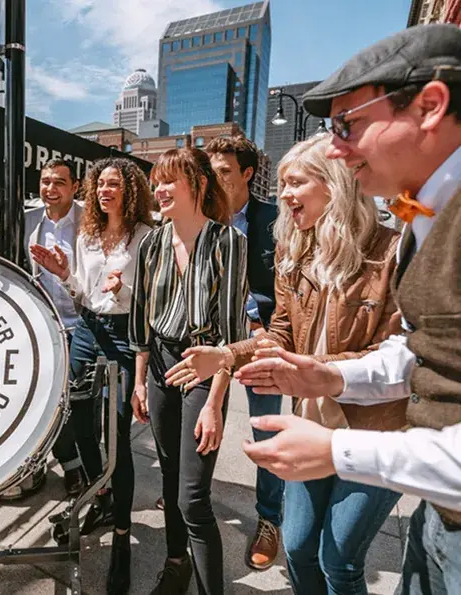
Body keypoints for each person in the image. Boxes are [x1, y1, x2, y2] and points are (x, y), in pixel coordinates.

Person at [233, 24, 461, 594]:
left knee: (340, 562)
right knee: (303, 550)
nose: (335, 146)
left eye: (347, 124)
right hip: (438, 515)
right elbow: (413, 353)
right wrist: (326, 374)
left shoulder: (402, 238)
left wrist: (337, 443)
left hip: (386, 445)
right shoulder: (426, 223)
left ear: (430, 106)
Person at [167, 134, 406, 594]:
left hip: (375, 431)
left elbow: (398, 355)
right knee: (296, 548)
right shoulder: (292, 252)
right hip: (310, 423)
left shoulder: (390, 254)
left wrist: (318, 370)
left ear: (334, 184)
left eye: (295, 183)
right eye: (281, 185)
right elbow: (280, 332)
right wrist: (227, 355)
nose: (284, 196)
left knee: (338, 560)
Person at [31, 157, 153, 594]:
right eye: (100, 184)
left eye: (113, 184)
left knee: (116, 430)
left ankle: (122, 535)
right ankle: (100, 495)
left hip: (123, 337)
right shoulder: (88, 234)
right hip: (87, 329)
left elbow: (150, 301)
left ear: (130, 190)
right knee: (78, 418)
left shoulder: (145, 238)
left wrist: (124, 289)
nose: (104, 190)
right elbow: (82, 290)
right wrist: (65, 275)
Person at [130, 147, 247, 595]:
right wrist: (140, 381)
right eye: (156, 180)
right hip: (159, 364)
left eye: (169, 181)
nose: (158, 189)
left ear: (197, 185)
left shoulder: (228, 241)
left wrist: (215, 403)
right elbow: (141, 317)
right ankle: (176, 564)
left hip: (204, 366)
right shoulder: (152, 243)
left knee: (192, 498)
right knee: (168, 474)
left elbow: (234, 335)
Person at [205, 135, 284, 571]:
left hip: (260, 341)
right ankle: (191, 492)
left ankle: (270, 520)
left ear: (247, 174)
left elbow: (287, 284)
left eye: (224, 172)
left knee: (267, 431)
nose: (215, 180)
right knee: (201, 416)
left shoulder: (274, 219)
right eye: (211, 170)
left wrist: (263, 325)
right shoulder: (203, 217)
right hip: (211, 337)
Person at [23, 158, 86, 497]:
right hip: (45, 325)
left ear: (75, 186)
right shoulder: (28, 220)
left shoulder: (90, 220)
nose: (50, 188)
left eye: (59, 182)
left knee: (80, 402)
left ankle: (89, 465)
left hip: (81, 324)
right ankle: (71, 466)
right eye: (46, 181)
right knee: (51, 399)